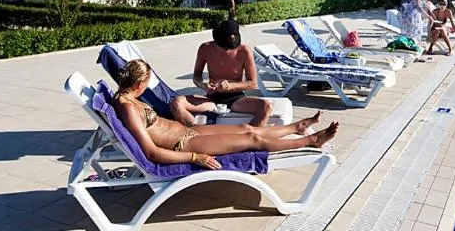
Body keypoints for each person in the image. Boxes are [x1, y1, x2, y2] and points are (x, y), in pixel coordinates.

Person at [111, 59, 340, 170]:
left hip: (190, 132)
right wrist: (195, 157)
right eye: (147, 83)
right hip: (185, 145)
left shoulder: (128, 98)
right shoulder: (129, 108)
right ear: (139, 83)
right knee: (252, 140)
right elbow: (151, 152)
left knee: (247, 128)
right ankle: (311, 140)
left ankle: (295, 127)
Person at [176, 20, 272, 127]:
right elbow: (196, 77)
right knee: (177, 102)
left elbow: (253, 83)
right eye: (224, 46)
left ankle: (249, 133)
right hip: (211, 98)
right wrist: (203, 85)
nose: (227, 50)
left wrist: (231, 86)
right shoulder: (205, 49)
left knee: (266, 106)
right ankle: (195, 131)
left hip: (236, 98)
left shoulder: (244, 51)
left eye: (230, 47)